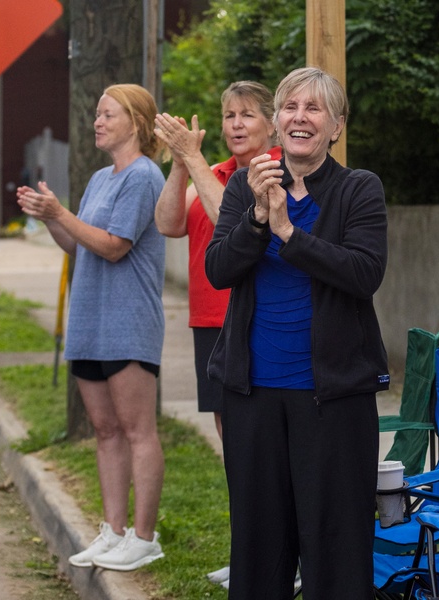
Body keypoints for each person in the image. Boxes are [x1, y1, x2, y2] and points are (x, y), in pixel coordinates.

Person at [204, 67, 389, 600]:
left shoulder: (358, 189)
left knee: (336, 550)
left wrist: (289, 232)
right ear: (277, 122)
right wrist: (260, 218)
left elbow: (363, 273)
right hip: (253, 396)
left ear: (336, 125)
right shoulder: (246, 183)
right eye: (289, 107)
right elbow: (220, 270)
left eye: (313, 108)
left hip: (332, 399)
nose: (299, 117)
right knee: (259, 550)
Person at [16, 83, 167, 572]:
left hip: (128, 322)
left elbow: (114, 245)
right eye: (97, 115)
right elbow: (79, 245)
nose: (97, 121)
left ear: (136, 122)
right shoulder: (101, 178)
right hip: (89, 319)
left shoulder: (144, 176)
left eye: (107, 114)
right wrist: (50, 218)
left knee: (136, 429)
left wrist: (63, 214)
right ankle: (113, 531)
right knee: (104, 431)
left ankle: (144, 537)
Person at [154, 80, 280, 589]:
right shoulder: (214, 171)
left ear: (271, 124)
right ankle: (249, 550)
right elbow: (167, 223)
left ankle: (273, 556)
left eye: (247, 115)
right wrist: (181, 163)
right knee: (235, 449)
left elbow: (228, 215)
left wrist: (197, 162)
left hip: (252, 321)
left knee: (260, 447)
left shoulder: (270, 170)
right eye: (228, 115)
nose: (235, 125)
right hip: (209, 323)